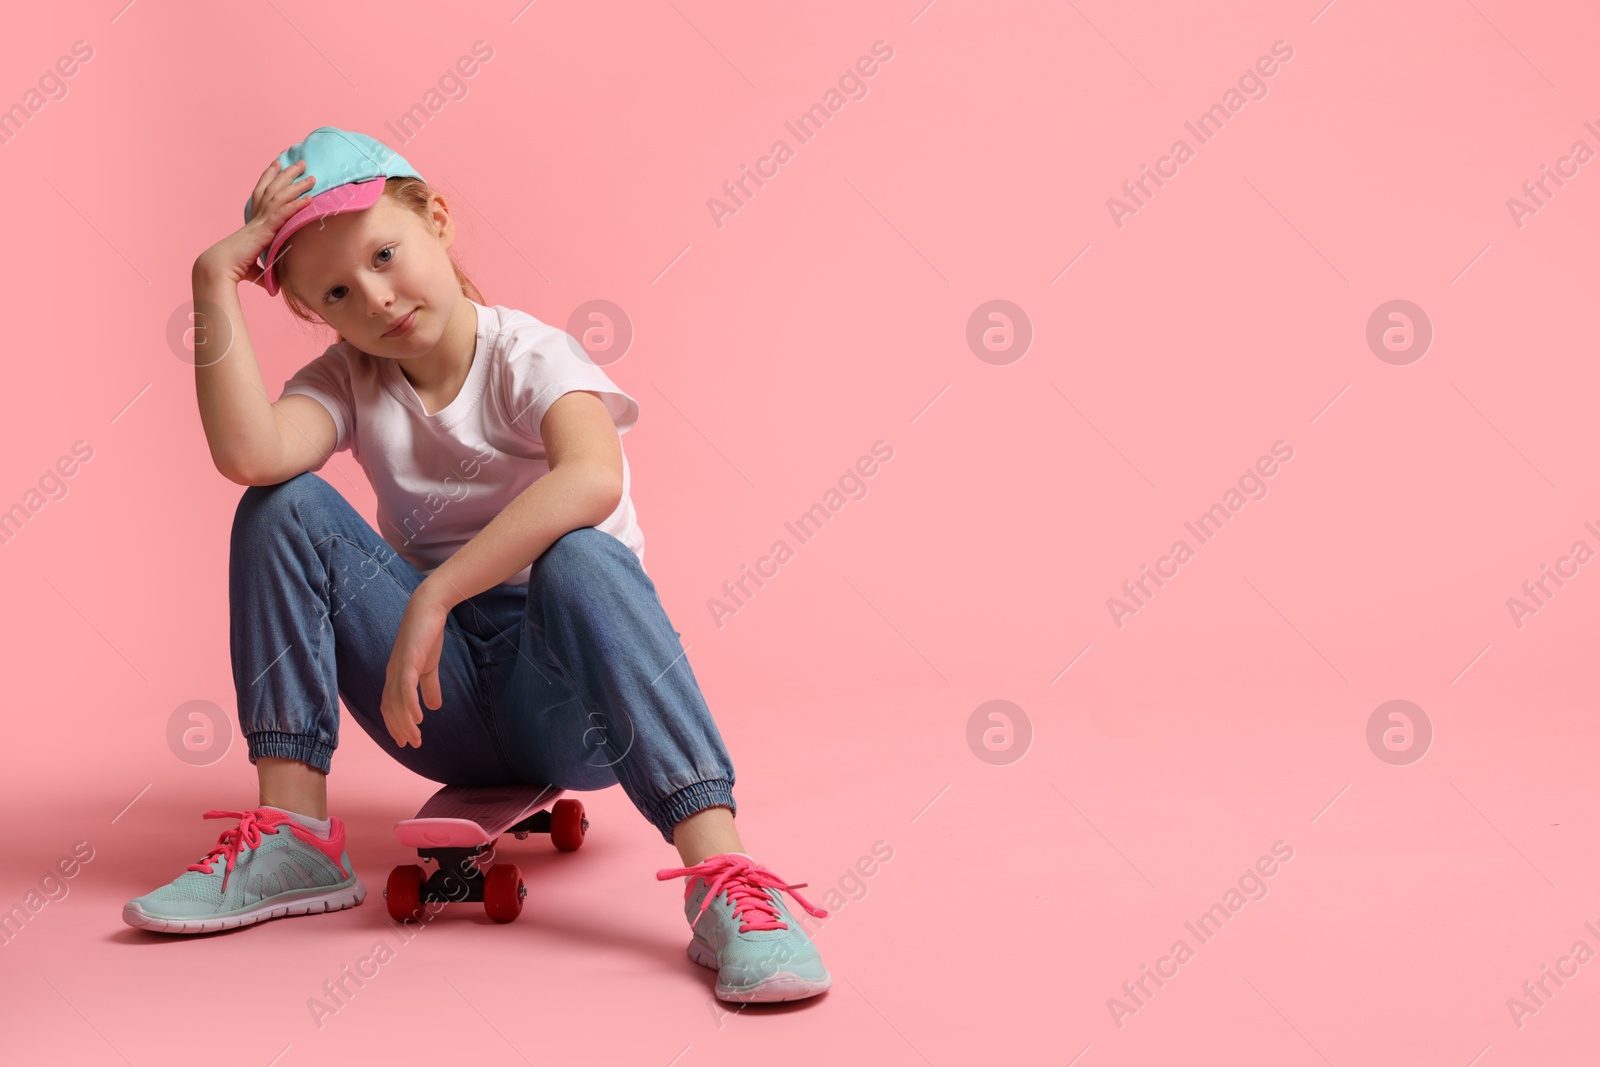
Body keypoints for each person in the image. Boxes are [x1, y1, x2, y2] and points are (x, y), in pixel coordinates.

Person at [123, 126, 831, 1004]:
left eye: (386, 255)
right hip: (437, 700)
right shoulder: (350, 379)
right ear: (316, 316)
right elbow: (250, 453)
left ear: (437, 219)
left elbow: (590, 475)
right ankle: (295, 838)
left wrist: (438, 593)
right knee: (279, 503)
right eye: (337, 292)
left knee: (580, 554)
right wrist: (210, 277)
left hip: (574, 698)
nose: (376, 298)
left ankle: (724, 877)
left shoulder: (528, 355)